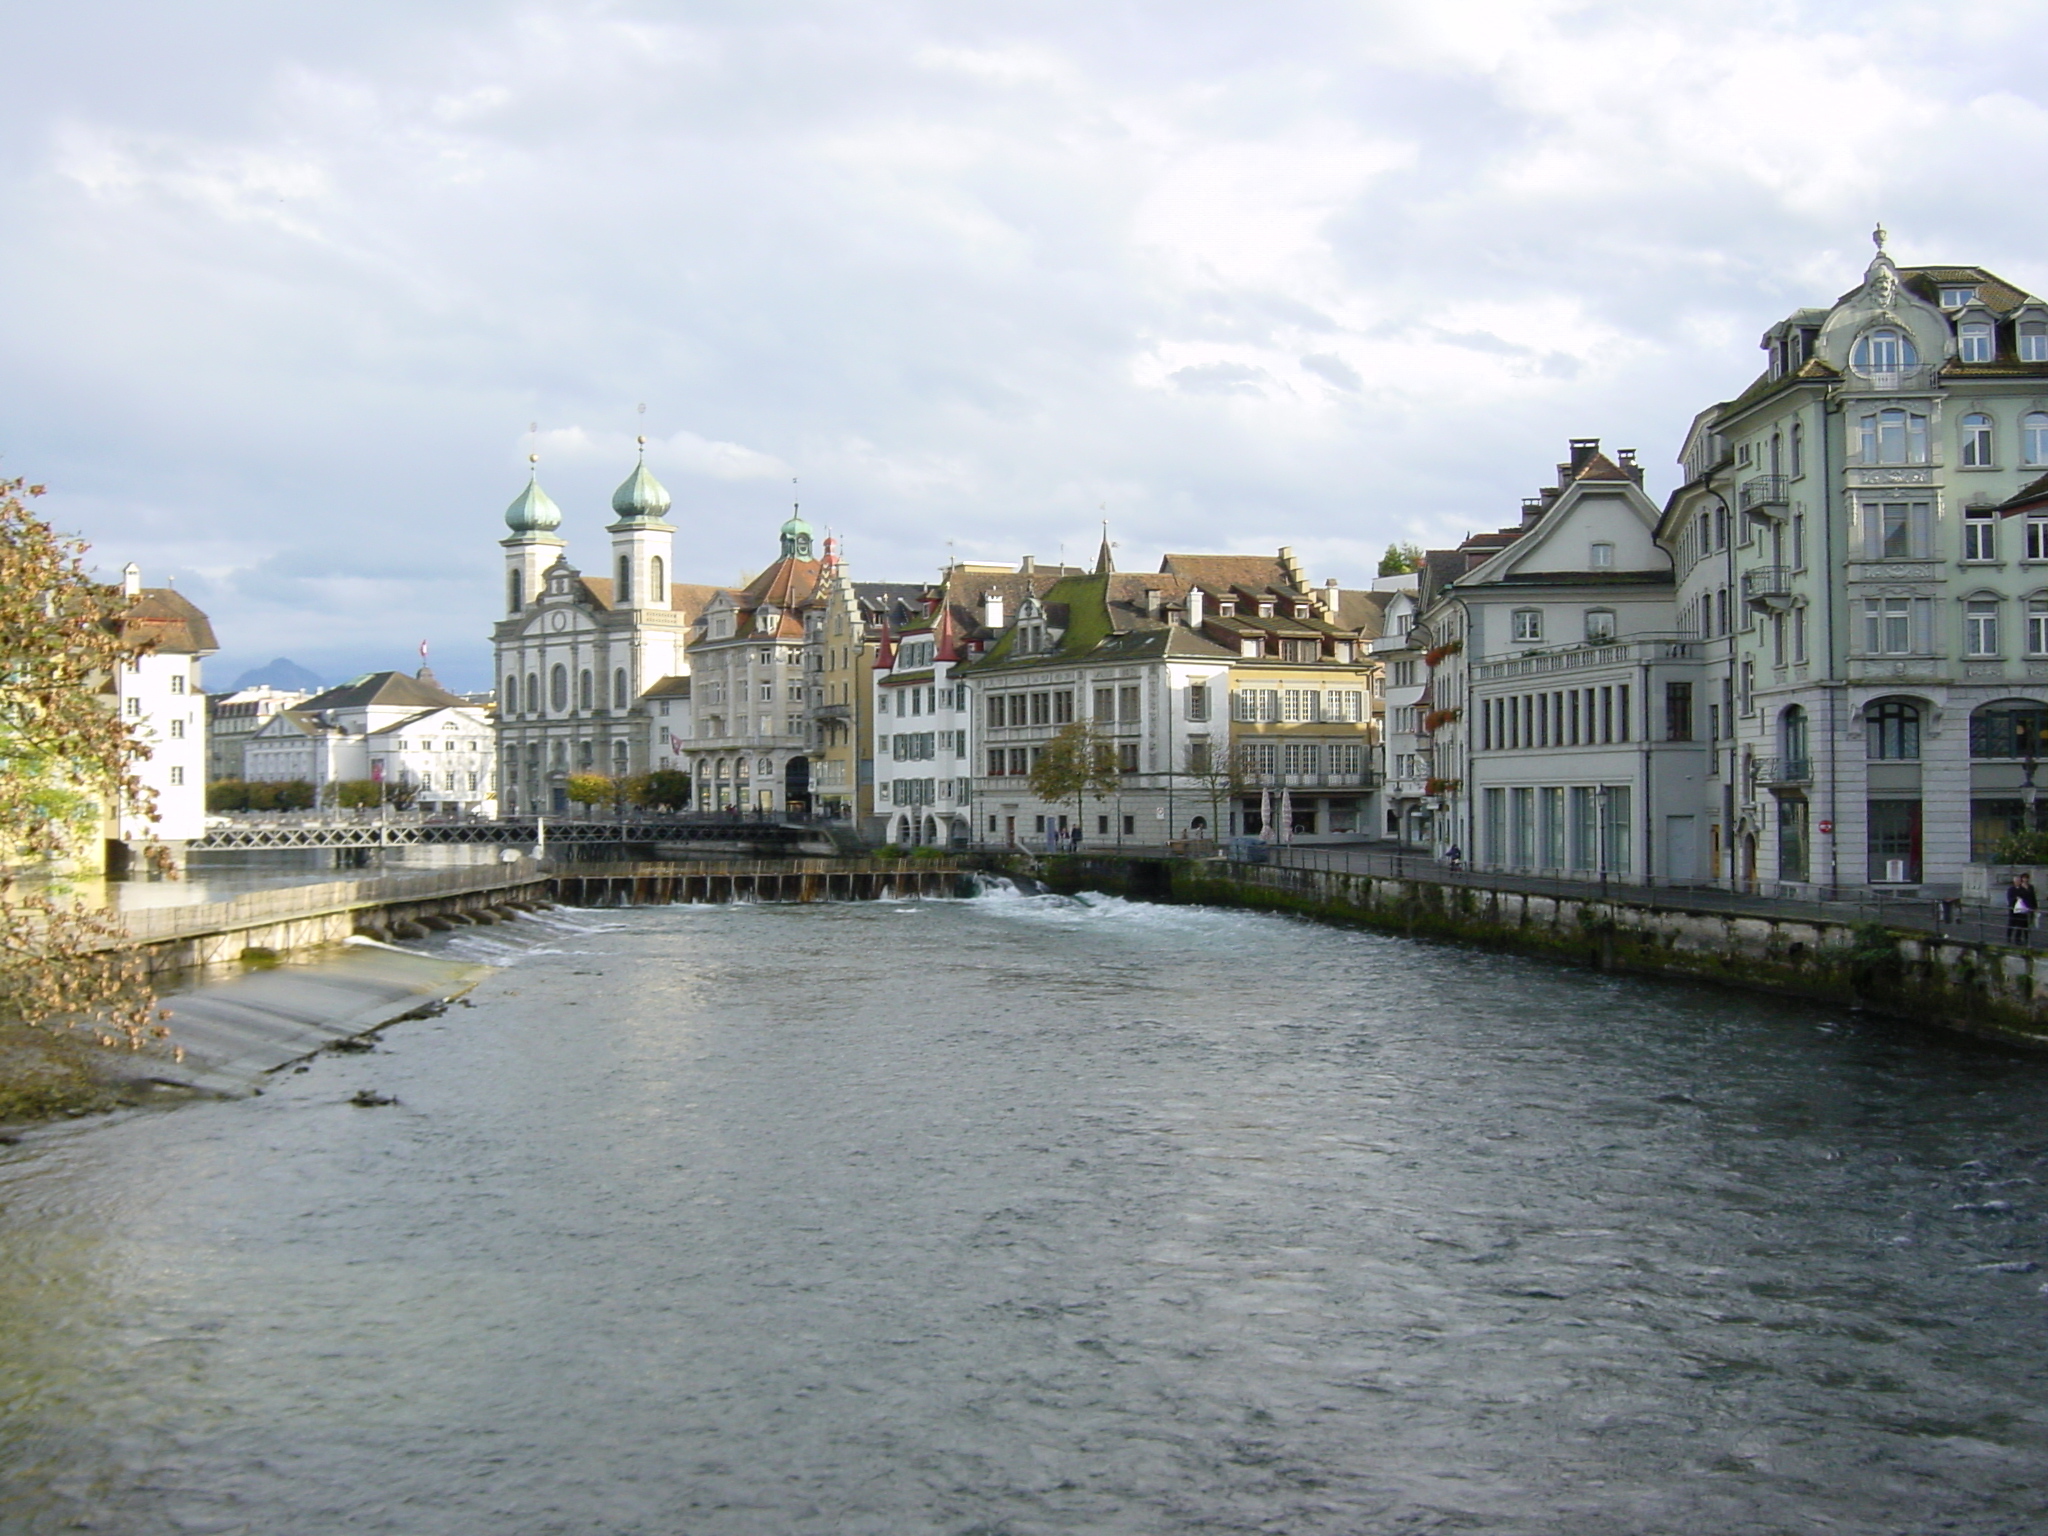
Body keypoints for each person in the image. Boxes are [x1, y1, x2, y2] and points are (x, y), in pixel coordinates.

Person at [2007, 872, 2036, 946]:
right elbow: (2010, 899)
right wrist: (2016, 899)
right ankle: (2009, 938)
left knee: (2021, 925)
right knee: (2011, 924)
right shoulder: (2011, 889)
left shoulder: (2023, 889)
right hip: (2013, 910)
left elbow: (2029, 897)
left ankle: (2018, 939)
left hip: (2021, 909)